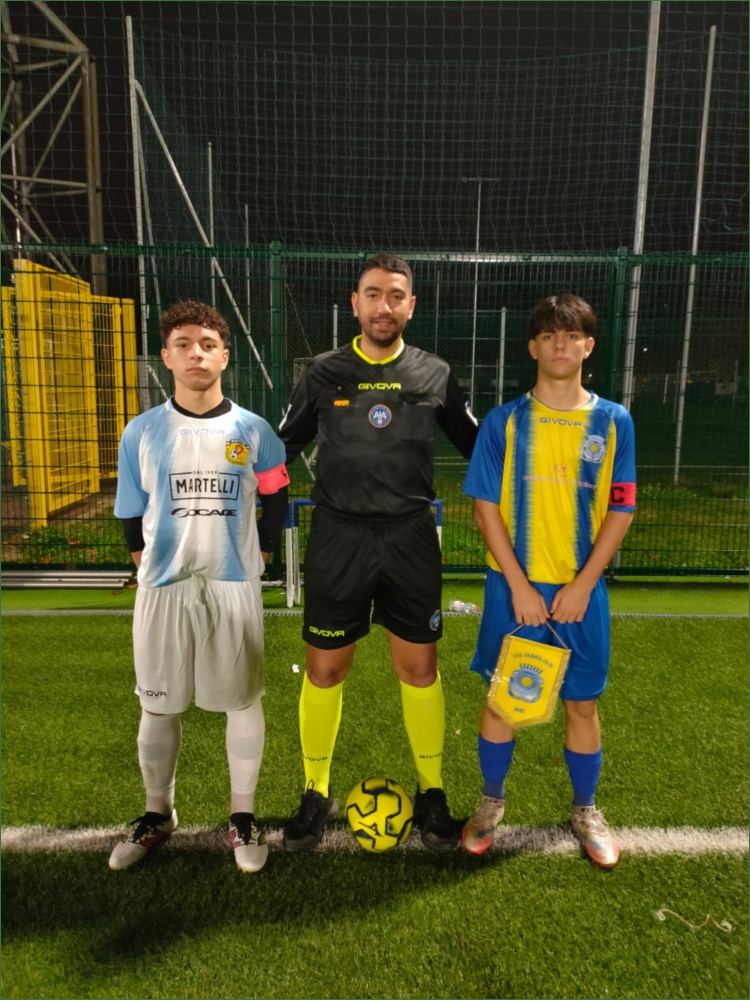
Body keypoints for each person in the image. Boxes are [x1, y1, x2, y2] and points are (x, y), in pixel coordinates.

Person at [278, 253, 478, 852]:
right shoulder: (323, 372)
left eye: (395, 296)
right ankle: (316, 791)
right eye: (372, 294)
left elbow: (480, 448)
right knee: (324, 669)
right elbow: (278, 449)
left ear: (411, 305)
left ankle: (432, 792)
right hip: (337, 537)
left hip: (410, 538)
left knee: (418, 669)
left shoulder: (435, 373)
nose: (383, 306)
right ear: (355, 303)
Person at [109, 301, 289, 874]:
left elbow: (277, 498)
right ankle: (158, 814)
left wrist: (259, 555)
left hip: (232, 586)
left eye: (208, 344)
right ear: (166, 357)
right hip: (164, 589)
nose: (196, 354)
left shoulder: (254, 431)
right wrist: (146, 564)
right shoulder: (141, 431)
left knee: (242, 700)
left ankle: (242, 818)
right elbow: (130, 512)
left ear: (224, 356)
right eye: (183, 344)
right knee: (157, 706)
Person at [461, 294, 636, 867]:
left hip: (581, 594)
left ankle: (585, 809)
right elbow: (485, 508)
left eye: (572, 335)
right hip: (514, 591)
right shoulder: (504, 421)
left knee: (581, 705)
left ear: (588, 346)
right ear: (533, 347)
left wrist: (583, 585)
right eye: (548, 335)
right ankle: (491, 803)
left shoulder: (614, 421)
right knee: (502, 702)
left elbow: (621, 508)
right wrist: (519, 585)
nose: (560, 344)